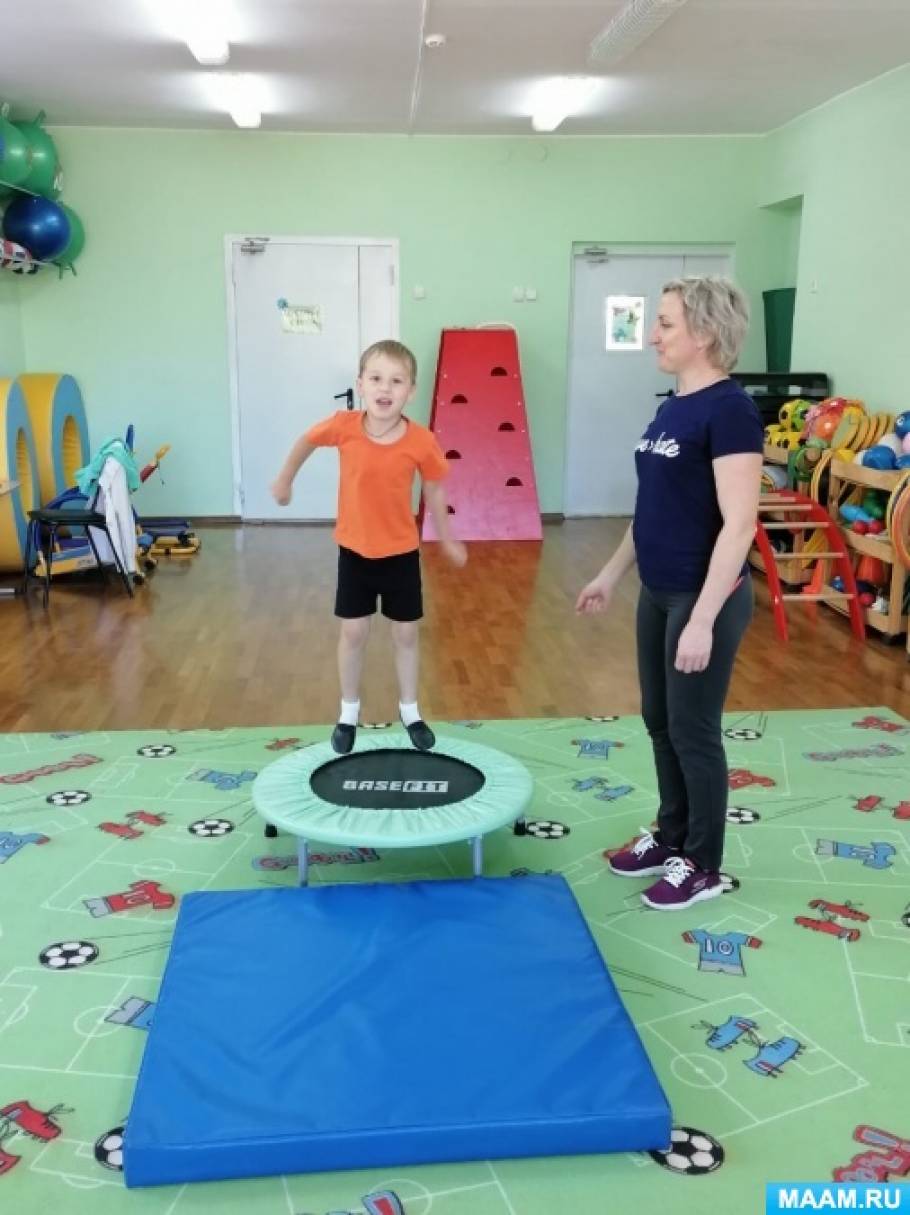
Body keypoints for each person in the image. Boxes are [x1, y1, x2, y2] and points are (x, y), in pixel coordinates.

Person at [576, 276, 762, 911]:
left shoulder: (730, 411)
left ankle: (702, 864)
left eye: (665, 323)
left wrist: (703, 618)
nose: (653, 335)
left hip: (702, 597)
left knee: (693, 730)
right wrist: (610, 575)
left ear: (703, 333)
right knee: (659, 721)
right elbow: (652, 510)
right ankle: (672, 835)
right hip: (658, 591)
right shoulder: (671, 407)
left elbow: (740, 524)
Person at [271, 339, 467, 754]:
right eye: (376, 378)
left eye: (396, 381)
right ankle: (348, 713)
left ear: (410, 391)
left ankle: (410, 711)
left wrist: (447, 537)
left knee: (406, 633)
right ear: (360, 384)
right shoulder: (343, 426)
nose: (385, 388)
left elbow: (434, 487)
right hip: (355, 552)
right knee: (354, 631)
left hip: (401, 554)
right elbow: (307, 440)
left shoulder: (420, 441)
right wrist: (285, 479)